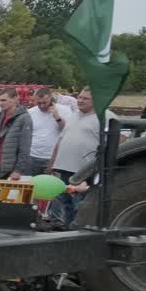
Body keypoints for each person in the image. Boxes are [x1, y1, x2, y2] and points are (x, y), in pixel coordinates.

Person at [48, 89, 116, 227]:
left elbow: (120, 139)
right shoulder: (73, 115)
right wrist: (52, 162)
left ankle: (79, 231)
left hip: (84, 170)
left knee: (79, 204)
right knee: (66, 202)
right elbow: (62, 139)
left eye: (85, 98)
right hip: (64, 167)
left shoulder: (107, 116)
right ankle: (69, 230)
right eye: (79, 97)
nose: (80, 100)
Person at [26, 87, 72, 174]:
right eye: (38, 103)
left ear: (51, 98)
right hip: (32, 156)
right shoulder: (30, 112)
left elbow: (68, 131)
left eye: (44, 102)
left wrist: (57, 118)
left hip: (53, 157)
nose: (42, 105)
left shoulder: (65, 110)